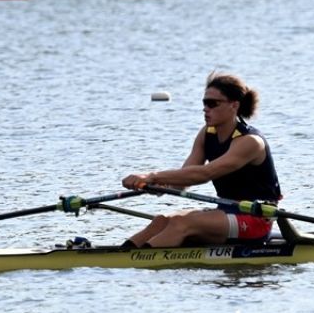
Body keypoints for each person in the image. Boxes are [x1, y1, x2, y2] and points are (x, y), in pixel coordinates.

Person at [121, 72, 282, 249]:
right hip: (225, 211)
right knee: (162, 221)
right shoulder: (207, 134)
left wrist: (152, 176)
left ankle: (139, 263)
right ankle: (120, 259)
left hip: (256, 219)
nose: (206, 109)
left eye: (212, 103)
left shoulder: (250, 142)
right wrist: (155, 186)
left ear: (234, 105)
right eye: (204, 103)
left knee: (181, 223)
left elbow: (205, 173)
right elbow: (183, 180)